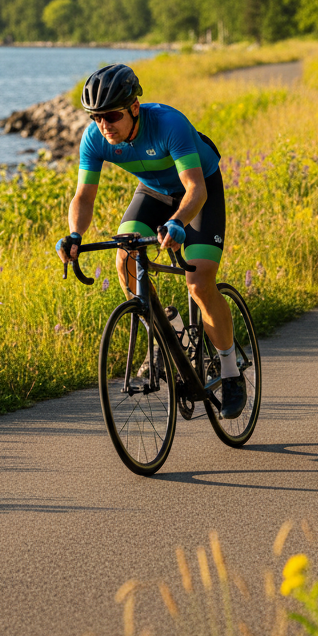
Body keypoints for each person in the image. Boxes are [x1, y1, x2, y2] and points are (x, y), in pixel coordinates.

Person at [55, 63, 245, 419]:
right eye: (96, 117)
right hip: (155, 192)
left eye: (111, 115)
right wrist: (75, 235)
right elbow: (84, 196)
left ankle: (230, 372)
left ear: (134, 108)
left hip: (199, 189)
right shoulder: (95, 139)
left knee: (199, 282)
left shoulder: (168, 124)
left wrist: (177, 224)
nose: (103, 125)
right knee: (124, 256)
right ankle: (165, 328)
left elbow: (195, 189)